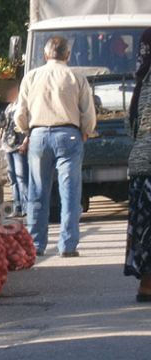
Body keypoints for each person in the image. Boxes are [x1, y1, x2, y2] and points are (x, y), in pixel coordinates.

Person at [15, 36, 97, 257]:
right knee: (70, 192)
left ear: (45, 54)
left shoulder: (31, 77)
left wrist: (26, 130)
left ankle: (35, 244)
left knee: (37, 192)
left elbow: (20, 113)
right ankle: (68, 245)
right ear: (67, 55)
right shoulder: (76, 77)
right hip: (69, 136)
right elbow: (88, 113)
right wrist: (86, 131)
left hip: (39, 135)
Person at [125, 28, 151, 302]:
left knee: (145, 228)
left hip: (141, 165)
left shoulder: (142, 80)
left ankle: (146, 285)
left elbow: (132, 125)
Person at [1, 81, 28, 217]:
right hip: (7, 146)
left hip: (18, 146)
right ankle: (17, 207)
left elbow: (29, 127)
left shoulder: (23, 106)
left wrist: (25, 142)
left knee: (22, 177)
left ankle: (26, 207)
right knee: (13, 178)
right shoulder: (9, 107)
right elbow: (4, 125)